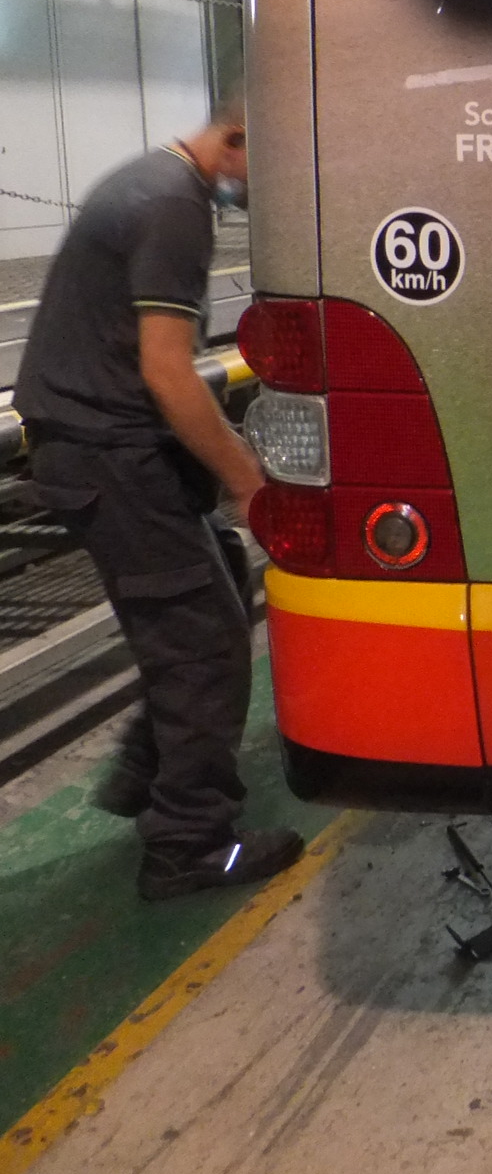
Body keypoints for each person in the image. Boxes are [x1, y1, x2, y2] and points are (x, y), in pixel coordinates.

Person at [17, 95, 304, 902]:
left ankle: (149, 775)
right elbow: (168, 372)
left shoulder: (150, 182)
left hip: (99, 443)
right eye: (273, 167)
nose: (270, 190)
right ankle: (189, 842)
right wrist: (247, 481)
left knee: (211, 586)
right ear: (237, 136)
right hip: (110, 455)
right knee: (204, 646)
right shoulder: (174, 207)